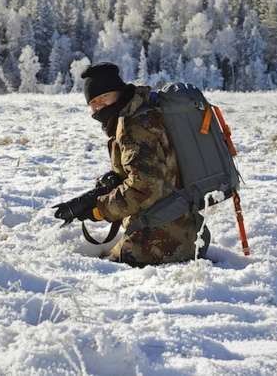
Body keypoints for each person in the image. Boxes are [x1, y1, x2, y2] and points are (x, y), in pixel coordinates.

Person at [78, 62, 210, 267]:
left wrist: (100, 209)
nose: (98, 106)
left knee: (104, 270)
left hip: (162, 241)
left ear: (119, 92)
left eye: (103, 97)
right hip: (188, 229)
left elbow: (144, 187)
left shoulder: (136, 125)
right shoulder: (142, 112)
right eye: (93, 102)